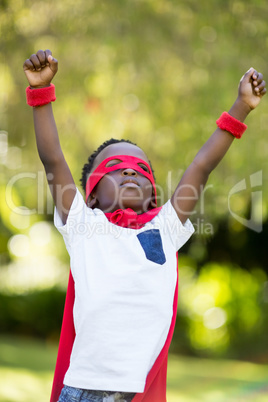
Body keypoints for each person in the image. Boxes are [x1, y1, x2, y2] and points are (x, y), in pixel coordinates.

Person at [23, 49, 266, 402]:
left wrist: (241, 107)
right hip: (83, 391)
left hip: (135, 393)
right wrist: (41, 94)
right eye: (115, 166)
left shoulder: (165, 228)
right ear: (90, 195)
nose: (129, 171)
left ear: (153, 193)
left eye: (140, 169)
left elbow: (201, 166)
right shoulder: (82, 224)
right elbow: (53, 158)